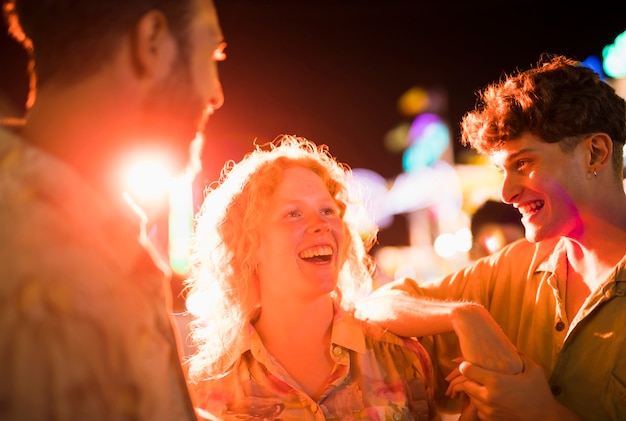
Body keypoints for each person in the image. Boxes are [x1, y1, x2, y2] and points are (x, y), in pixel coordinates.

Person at [356, 54, 626, 421]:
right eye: (501, 169)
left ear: (595, 153)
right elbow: (377, 305)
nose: (506, 192)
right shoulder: (514, 267)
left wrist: (541, 412)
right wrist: (462, 314)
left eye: (523, 164)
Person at [0, 0, 225, 420]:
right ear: (152, 41)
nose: (216, 94)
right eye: (213, 55)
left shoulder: (109, 237)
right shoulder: (41, 263)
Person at [183, 135, 441, 420]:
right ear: (249, 244)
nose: (321, 225)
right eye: (293, 214)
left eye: (327, 210)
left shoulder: (401, 359)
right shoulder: (205, 386)